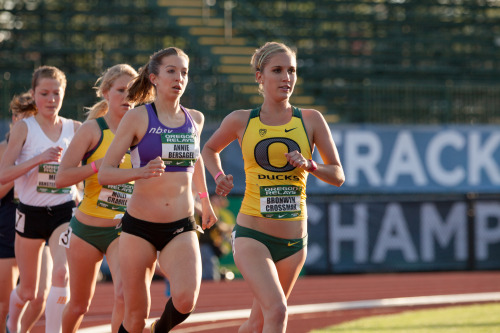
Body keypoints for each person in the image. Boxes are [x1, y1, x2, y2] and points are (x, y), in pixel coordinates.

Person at [201, 41, 345, 332]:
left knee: (258, 321)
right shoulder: (242, 120)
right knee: (277, 311)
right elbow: (209, 149)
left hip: (293, 243)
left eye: (291, 70)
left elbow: (338, 175)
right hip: (252, 236)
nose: (286, 78)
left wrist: (310, 165)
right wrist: (218, 177)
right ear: (259, 77)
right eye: (277, 70)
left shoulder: (311, 119)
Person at [97, 47, 218, 333]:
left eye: (184, 72)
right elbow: (105, 173)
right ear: (154, 78)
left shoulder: (195, 119)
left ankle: (158, 330)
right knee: (135, 316)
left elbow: (195, 160)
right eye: (171, 71)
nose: (179, 78)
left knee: (186, 299)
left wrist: (205, 200)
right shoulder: (137, 118)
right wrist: (141, 171)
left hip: (181, 224)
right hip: (139, 227)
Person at [55, 64, 138, 333]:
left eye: (133, 91)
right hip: (86, 230)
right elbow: (62, 178)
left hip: (122, 230)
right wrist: (97, 166)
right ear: (106, 93)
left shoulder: (143, 131)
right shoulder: (93, 130)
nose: (128, 97)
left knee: (123, 295)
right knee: (79, 305)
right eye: (121, 90)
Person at [0, 66, 81, 333]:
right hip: (29, 214)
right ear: (34, 94)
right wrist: (39, 159)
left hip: (63, 211)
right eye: (44, 93)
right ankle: (15, 327)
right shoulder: (24, 128)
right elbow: (3, 175)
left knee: (61, 273)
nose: (51, 99)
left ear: (63, 94)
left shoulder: (75, 128)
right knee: (28, 291)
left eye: (56, 93)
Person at [0, 93, 53, 333]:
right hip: (8, 227)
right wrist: (27, 165)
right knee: (3, 304)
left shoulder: (48, 144)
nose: (31, 124)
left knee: (39, 296)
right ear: (14, 119)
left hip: (42, 221)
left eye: (35, 117)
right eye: (25, 118)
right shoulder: (3, 149)